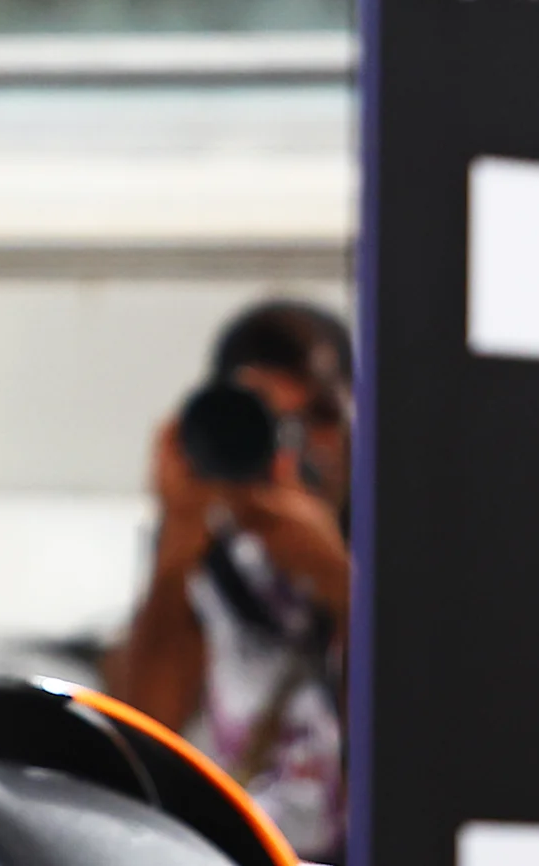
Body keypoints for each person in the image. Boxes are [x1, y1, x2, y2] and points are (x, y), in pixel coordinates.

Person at [110, 300, 353, 861]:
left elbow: (418, 747)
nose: (294, 446)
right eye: (266, 416)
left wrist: (341, 583)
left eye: (317, 417)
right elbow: (144, 736)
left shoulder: (393, 552)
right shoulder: (204, 559)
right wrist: (177, 539)